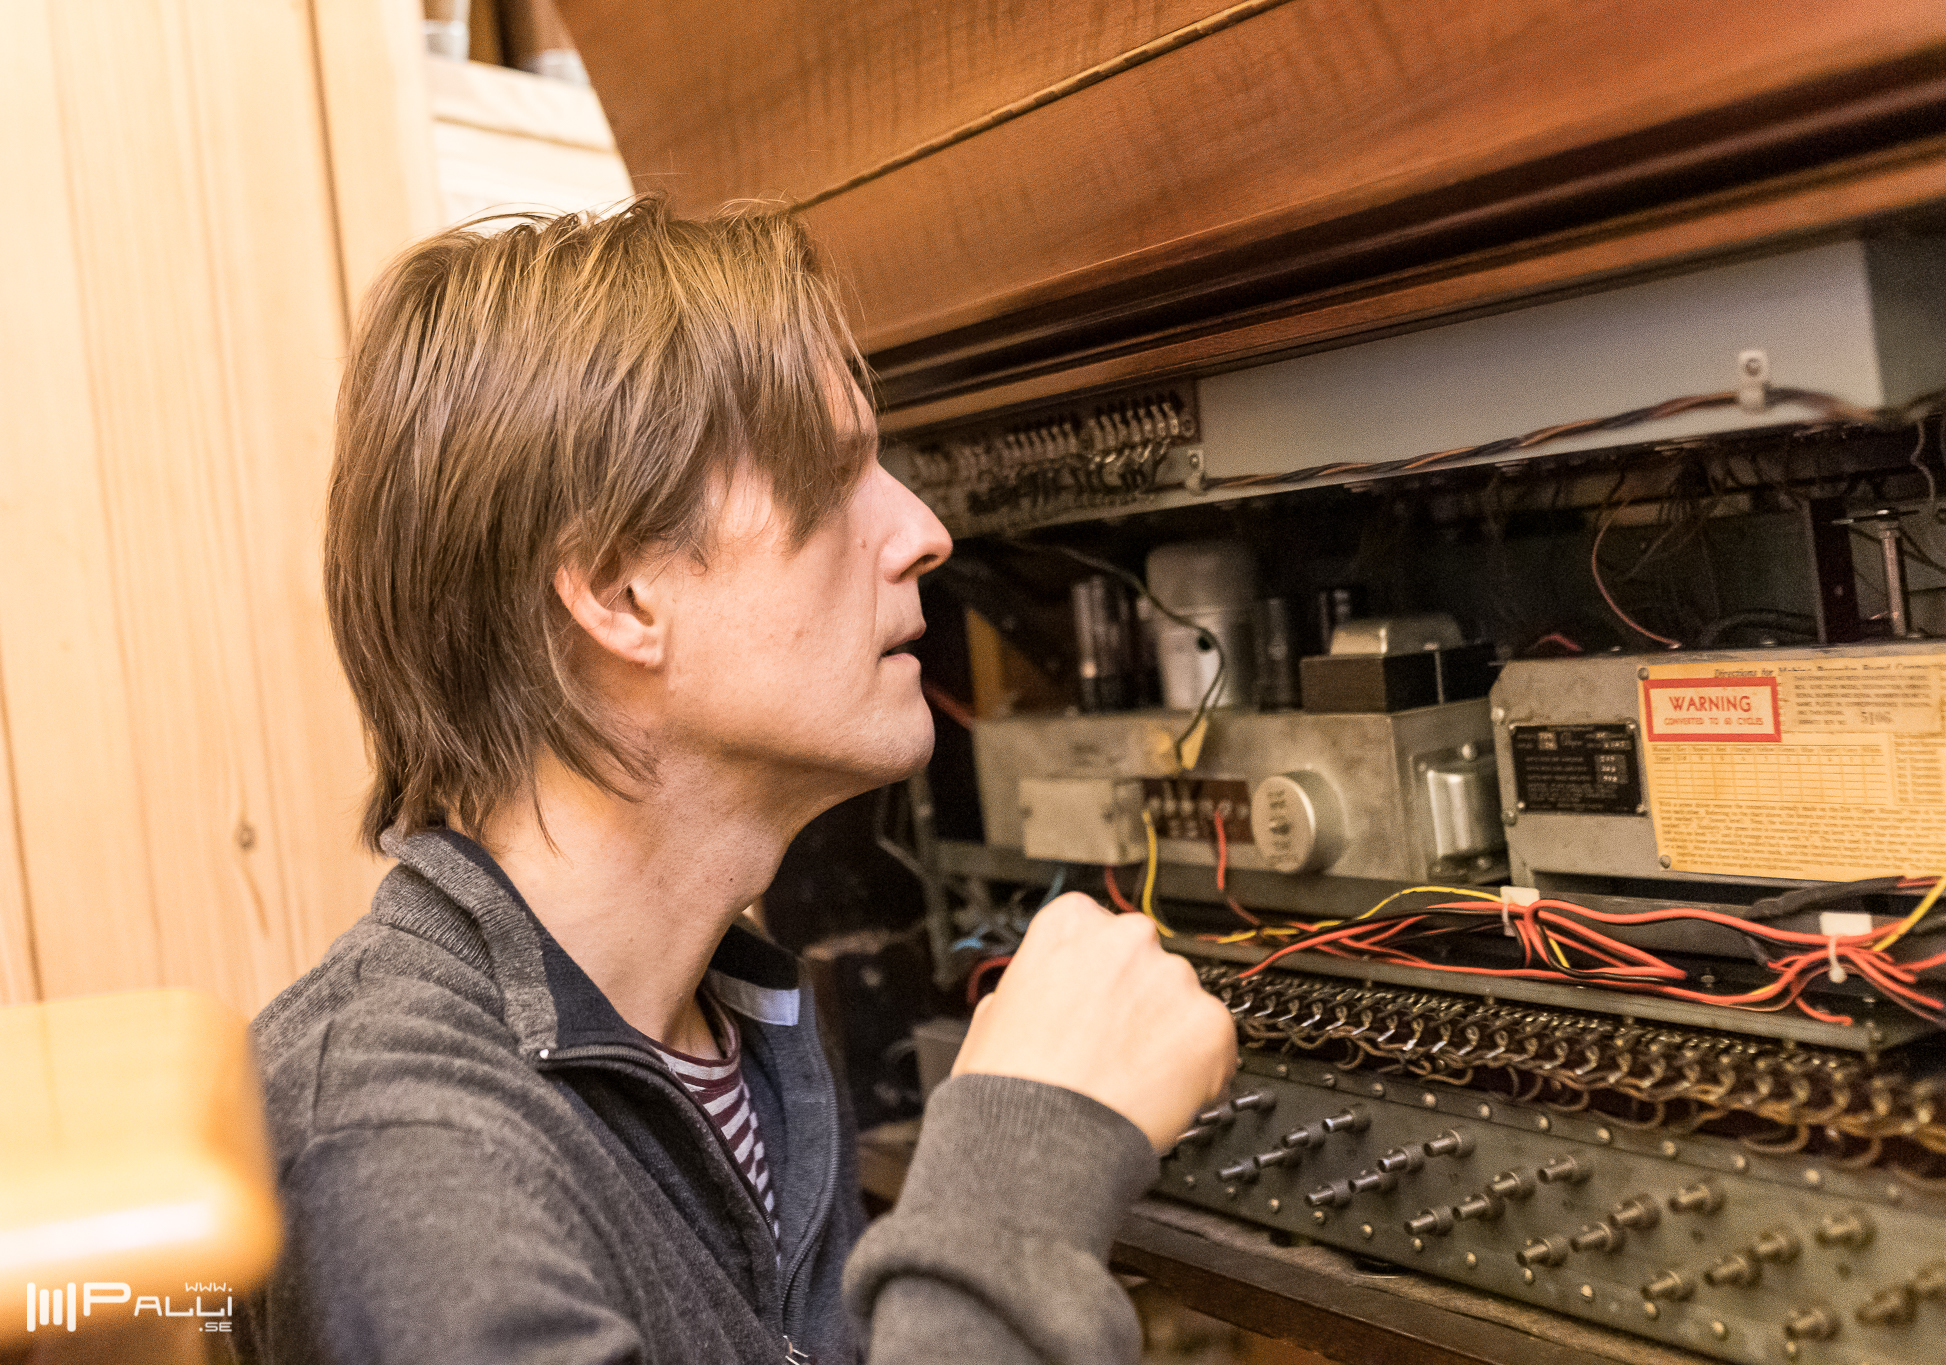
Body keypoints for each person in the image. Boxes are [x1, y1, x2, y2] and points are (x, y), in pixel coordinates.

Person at [235, 198, 1238, 1364]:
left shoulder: (731, 1031)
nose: (923, 531)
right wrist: (1023, 1163)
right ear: (620, 595)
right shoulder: (399, 1158)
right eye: (836, 476)